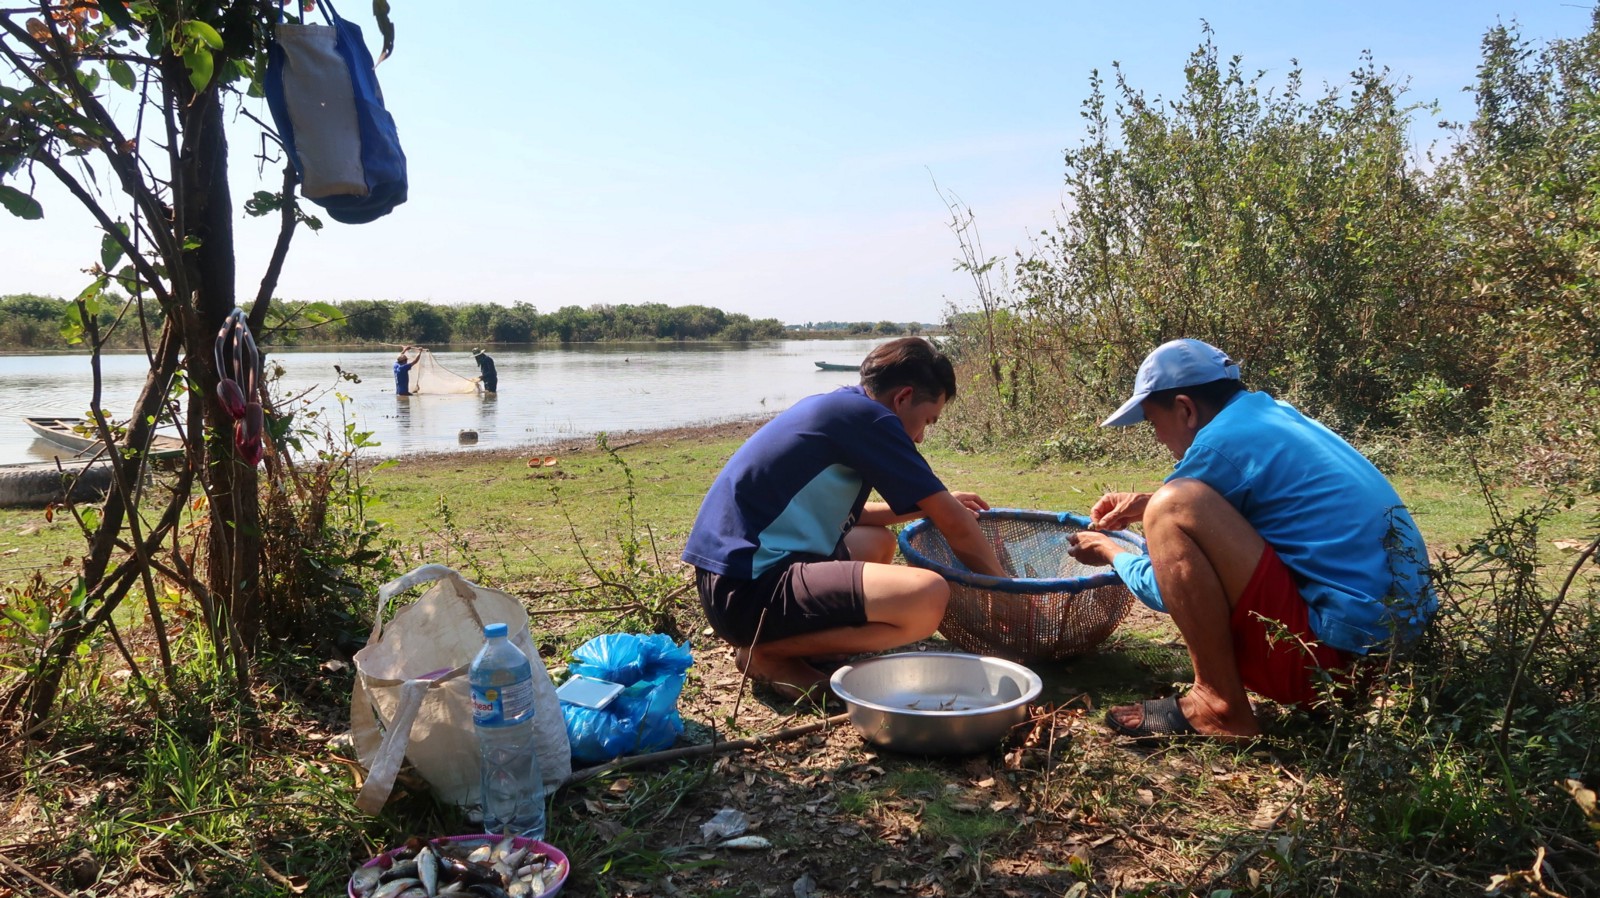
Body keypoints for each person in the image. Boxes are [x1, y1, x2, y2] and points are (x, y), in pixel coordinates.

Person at [1067, 338, 1434, 740]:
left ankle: (1217, 705)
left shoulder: (1214, 446)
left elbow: (1168, 588)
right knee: (1165, 504)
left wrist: (1111, 550)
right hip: (1395, 660)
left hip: (1328, 666)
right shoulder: (1273, 417)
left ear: (1185, 409)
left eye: (1153, 422)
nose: (1157, 437)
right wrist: (1145, 502)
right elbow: (1265, 510)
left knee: (1171, 507)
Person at [682, 337, 1007, 701]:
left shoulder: (842, 408)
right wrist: (1010, 594)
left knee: (877, 541)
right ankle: (769, 653)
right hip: (748, 593)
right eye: (927, 420)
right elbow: (958, 528)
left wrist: (931, 504)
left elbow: (850, 515)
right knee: (928, 597)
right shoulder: (871, 420)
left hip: (730, 582)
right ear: (902, 398)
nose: (920, 436)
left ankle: (806, 643)